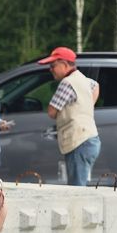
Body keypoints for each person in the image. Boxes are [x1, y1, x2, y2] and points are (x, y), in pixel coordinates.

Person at [39, 46, 101, 186]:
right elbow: (96, 86)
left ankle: (79, 209)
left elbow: (51, 111)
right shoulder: (83, 79)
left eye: (53, 65)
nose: (51, 69)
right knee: (81, 184)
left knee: (77, 188)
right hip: (90, 139)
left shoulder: (67, 83)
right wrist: (86, 105)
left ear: (65, 64)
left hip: (78, 141)